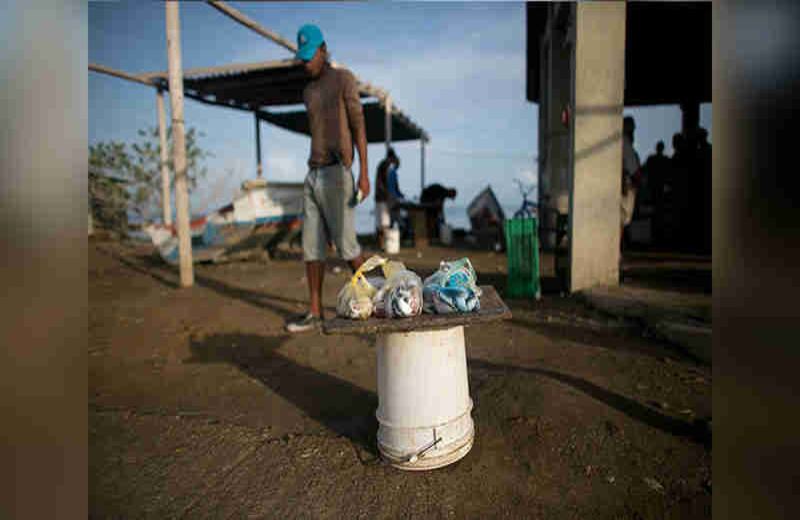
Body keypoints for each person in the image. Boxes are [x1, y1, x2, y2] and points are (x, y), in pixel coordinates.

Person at [285, 24, 370, 333]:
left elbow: (359, 126)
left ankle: (379, 298)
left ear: (323, 50)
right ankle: (315, 312)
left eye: (311, 56)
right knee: (312, 248)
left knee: (347, 247)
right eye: (303, 58)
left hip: (338, 173)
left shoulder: (343, 79)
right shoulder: (308, 91)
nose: (306, 63)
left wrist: (363, 173)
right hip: (313, 173)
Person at [620, 116, 641, 252]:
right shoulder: (625, 143)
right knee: (620, 222)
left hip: (619, 187)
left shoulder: (618, 142)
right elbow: (635, 172)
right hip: (624, 189)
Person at [374, 147, 397, 249]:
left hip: (378, 197)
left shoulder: (381, 164)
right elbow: (387, 182)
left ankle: (380, 244)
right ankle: (385, 245)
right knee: (385, 223)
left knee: (380, 223)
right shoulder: (387, 165)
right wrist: (389, 196)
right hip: (383, 198)